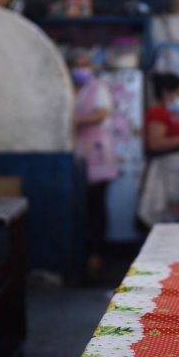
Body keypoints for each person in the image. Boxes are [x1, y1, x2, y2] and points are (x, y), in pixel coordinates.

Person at [71, 49, 118, 275]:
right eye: (77, 64)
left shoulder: (98, 87)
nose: (81, 68)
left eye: (85, 64)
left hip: (98, 154)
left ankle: (97, 254)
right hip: (78, 153)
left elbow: (101, 113)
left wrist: (75, 120)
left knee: (96, 206)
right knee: (82, 207)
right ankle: (82, 254)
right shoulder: (69, 87)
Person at [138, 72, 179, 226]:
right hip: (166, 171)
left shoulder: (172, 114)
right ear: (167, 92)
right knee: (169, 213)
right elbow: (155, 143)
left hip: (177, 170)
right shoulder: (158, 113)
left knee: (176, 210)